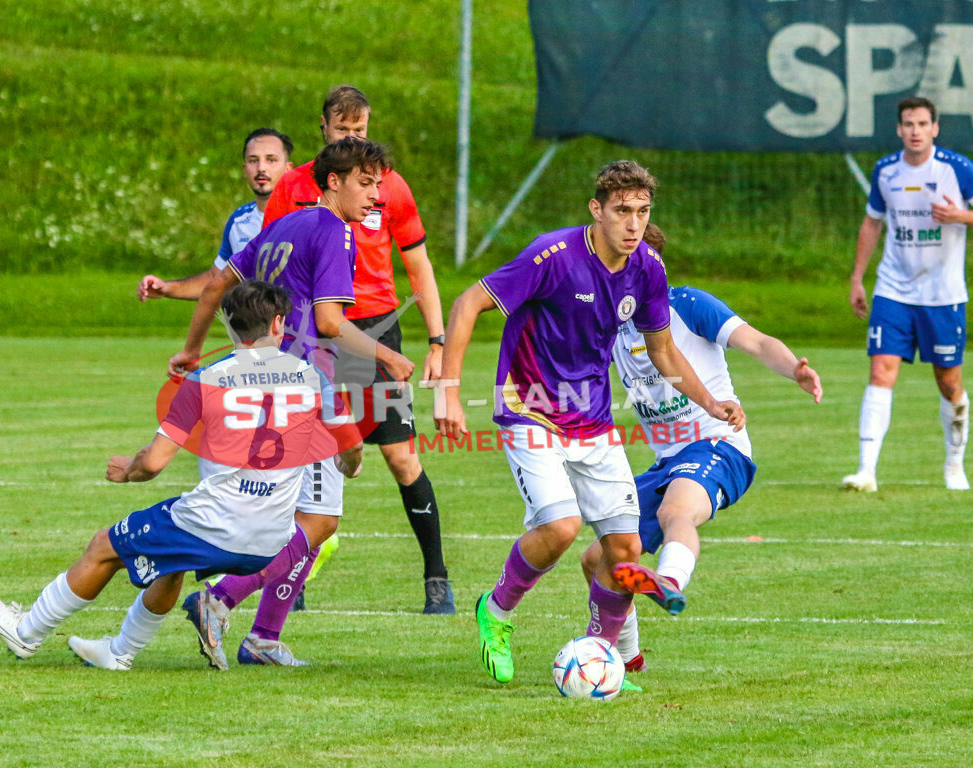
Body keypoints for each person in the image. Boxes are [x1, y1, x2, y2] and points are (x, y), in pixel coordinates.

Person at [434, 161, 746, 684]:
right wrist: (447, 392)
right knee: (560, 528)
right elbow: (468, 303)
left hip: (593, 420)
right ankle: (498, 609)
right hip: (529, 406)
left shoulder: (647, 266)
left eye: (643, 213)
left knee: (623, 551)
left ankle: (601, 657)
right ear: (596, 210)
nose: (634, 224)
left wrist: (711, 403)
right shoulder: (551, 255)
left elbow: (663, 349)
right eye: (622, 211)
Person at [0, 280, 347, 670]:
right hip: (271, 542)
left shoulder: (205, 379)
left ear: (230, 327)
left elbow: (154, 463)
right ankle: (119, 651)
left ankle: (26, 631)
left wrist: (128, 472)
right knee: (174, 559)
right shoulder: (312, 379)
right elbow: (348, 448)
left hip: (216, 522)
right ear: (278, 325)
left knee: (104, 547)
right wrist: (350, 466)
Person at [172, 138, 415, 668]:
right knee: (320, 520)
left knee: (307, 517)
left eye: (379, 184)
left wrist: (193, 349)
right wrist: (387, 359)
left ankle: (261, 636)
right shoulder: (333, 230)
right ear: (335, 181)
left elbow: (217, 285)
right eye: (366, 183)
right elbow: (329, 324)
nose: (378, 195)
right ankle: (222, 599)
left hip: (266, 381)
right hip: (306, 386)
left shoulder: (283, 224)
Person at [579, 223, 822, 682]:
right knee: (598, 559)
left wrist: (795, 369)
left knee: (677, 511)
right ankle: (625, 660)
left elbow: (756, 341)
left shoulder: (687, 305)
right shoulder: (607, 325)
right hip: (666, 460)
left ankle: (668, 581)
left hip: (719, 444)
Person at [263, 85, 454, 615]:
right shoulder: (294, 187)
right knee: (296, 455)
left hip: (372, 326)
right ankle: (287, 580)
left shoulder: (389, 187)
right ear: (323, 128)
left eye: (361, 131)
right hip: (308, 330)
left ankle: (436, 578)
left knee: (399, 456)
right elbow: (269, 265)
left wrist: (436, 339)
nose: (353, 139)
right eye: (343, 130)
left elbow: (418, 266)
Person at [844, 96, 973, 492]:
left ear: (935, 128)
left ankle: (954, 465)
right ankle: (866, 470)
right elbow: (872, 223)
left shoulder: (957, 169)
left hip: (944, 294)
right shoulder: (886, 170)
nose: (915, 131)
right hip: (893, 289)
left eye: (922, 124)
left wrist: (959, 216)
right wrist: (857, 277)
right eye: (908, 124)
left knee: (949, 383)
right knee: (881, 370)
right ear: (899, 130)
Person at [137, 128, 294, 302]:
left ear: (288, 169)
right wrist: (166, 288)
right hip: (254, 328)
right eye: (253, 160)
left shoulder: (306, 218)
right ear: (244, 169)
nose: (261, 168)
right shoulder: (238, 221)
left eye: (271, 160)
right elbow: (217, 279)